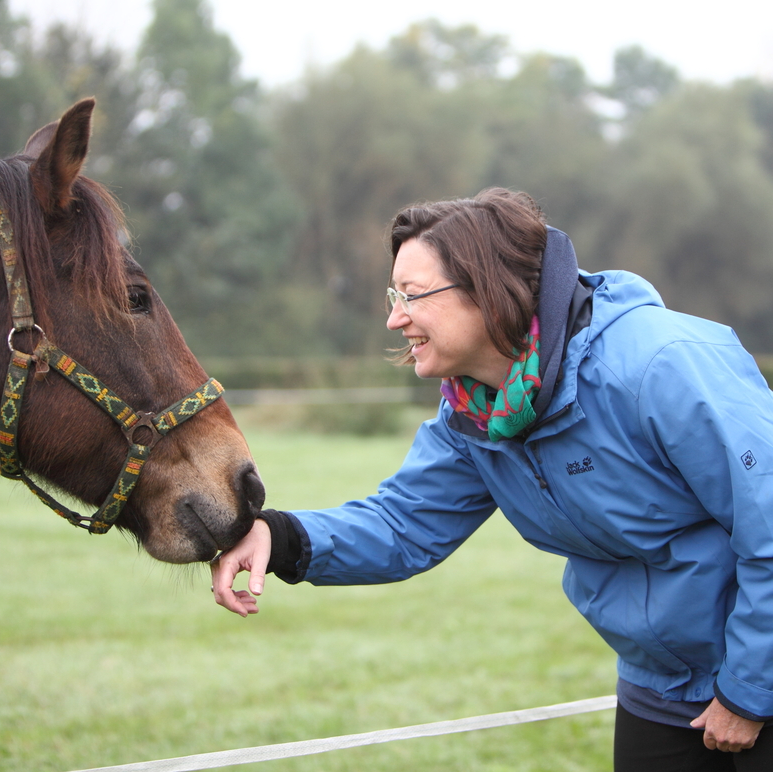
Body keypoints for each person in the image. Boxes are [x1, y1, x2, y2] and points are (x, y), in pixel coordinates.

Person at [212, 187, 773, 770]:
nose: (394, 317)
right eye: (392, 295)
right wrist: (276, 537)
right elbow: (403, 525)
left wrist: (750, 690)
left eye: (412, 296)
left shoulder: (661, 364)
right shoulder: (474, 415)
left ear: (486, 290)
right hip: (660, 686)